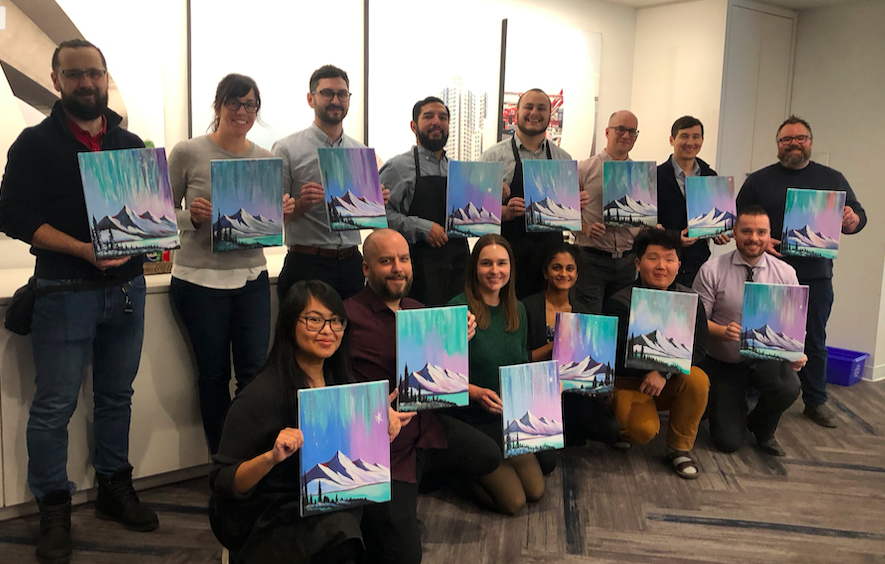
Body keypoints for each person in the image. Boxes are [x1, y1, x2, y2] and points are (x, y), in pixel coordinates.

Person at [0, 39, 158, 564]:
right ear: (56, 80)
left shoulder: (130, 143)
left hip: (127, 292)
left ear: (105, 76)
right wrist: (83, 250)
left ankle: (114, 485)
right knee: (54, 406)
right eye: (74, 74)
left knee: (117, 397)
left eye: (94, 73)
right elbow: (12, 215)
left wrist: (152, 236)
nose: (86, 83)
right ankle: (53, 506)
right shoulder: (33, 144)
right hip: (64, 291)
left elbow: (146, 218)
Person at [209, 280, 402, 564]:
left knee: (397, 544)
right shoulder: (261, 395)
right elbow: (224, 481)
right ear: (290, 324)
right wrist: (271, 457)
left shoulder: (340, 380)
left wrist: (378, 427)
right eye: (314, 320)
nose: (327, 330)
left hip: (331, 495)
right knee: (342, 535)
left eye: (336, 321)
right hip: (271, 509)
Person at [344, 229, 501, 563]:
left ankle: (417, 486)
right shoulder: (347, 318)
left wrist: (457, 339)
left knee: (489, 456)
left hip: (426, 428)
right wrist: (373, 409)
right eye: (386, 261)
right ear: (366, 268)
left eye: (404, 259)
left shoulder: (419, 310)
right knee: (405, 559)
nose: (398, 268)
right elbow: (330, 387)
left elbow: (436, 372)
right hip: (385, 448)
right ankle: (374, 509)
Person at [168, 74, 295, 455]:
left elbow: (264, 223)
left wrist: (281, 212)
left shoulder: (266, 159)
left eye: (250, 104)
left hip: (251, 279)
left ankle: (250, 459)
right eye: (234, 103)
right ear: (219, 105)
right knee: (213, 377)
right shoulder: (188, 152)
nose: (242, 111)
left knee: (254, 376)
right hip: (198, 280)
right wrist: (191, 217)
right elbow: (159, 213)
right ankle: (221, 462)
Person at [736, 115, 867, 428]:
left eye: (800, 138)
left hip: (815, 275)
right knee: (760, 334)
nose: (793, 143)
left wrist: (852, 220)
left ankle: (815, 400)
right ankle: (754, 391)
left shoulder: (832, 178)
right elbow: (737, 218)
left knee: (814, 339)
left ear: (810, 143)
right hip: (767, 272)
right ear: (778, 145)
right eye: (786, 139)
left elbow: (857, 217)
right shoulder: (758, 180)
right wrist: (763, 240)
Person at [447, 234, 557, 514]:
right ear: (474, 267)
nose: (494, 270)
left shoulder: (516, 309)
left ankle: (492, 461)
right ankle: (453, 472)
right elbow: (439, 375)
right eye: (486, 263)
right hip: (469, 416)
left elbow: (519, 363)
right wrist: (474, 393)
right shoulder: (458, 309)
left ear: (511, 268)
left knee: (535, 490)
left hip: (505, 415)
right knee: (514, 502)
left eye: (501, 263)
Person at [693, 206, 804, 455]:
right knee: (729, 442)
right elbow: (697, 322)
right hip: (724, 362)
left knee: (789, 386)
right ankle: (723, 409)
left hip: (765, 359)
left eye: (761, 232)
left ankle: (761, 427)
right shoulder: (712, 270)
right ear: (734, 233)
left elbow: (793, 324)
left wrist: (797, 353)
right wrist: (721, 331)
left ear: (769, 234)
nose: (754, 238)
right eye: (746, 231)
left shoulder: (785, 273)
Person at [272, 64, 388, 302]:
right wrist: (303, 203)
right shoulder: (286, 149)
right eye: (327, 93)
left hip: (352, 263)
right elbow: (274, 218)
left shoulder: (361, 153)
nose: (336, 100)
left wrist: (377, 203)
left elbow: (370, 221)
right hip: (307, 264)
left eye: (342, 94)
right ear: (310, 99)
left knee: (353, 326)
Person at [603, 229, 710, 479]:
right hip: (628, 382)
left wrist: (663, 372)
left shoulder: (690, 300)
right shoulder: (620, 301)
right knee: (642, 430)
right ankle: (618, 426)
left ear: (678, 265)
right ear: (638, 263)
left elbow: (699, 349)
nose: (661, 266)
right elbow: (612, 355)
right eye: (653, 258)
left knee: (697, 380)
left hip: (665, 382)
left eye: (669, 259)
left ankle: (678, 449)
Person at [480, 89, 587, 299]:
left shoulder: (563, 159)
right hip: (507, 255)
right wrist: (504, 211)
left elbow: (567, 215)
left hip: (551, 258)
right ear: (516, 112)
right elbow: (477, 210)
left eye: (541, 108)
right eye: (528, 107)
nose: (534, 113)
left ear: (550, 114)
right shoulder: (494, 157)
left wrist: (574, 206)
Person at [522, 243, 621, 447]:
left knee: (610, 429)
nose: (563, 274)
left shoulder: (583, 312)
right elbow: (521, 357)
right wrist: (556, 345)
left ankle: (568, 430)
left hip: (571, 391)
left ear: (577, 274)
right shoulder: (526, 307)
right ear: (545, 273)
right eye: (556, 268)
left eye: (570, 268)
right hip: (536, 388)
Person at [381, 96, 469, 306]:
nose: (437, 122)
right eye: (428, 116)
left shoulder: (459, 170)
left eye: (443, 117)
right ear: (414, 126)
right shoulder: (397, 167)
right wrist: (421, 228)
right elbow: (379, 216)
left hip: (458, 268)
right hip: (417, 270)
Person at [573, 110, 642, 313]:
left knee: (621, 318)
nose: (626, 135)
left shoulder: (640, 175)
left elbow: (642, 220)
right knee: (590, 320)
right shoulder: (583, 169)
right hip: (591, 259)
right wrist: (585, 227)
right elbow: (563, 216)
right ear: (607, 132)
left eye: (632, 131)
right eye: (620, 129)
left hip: (628, 261)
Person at [656, 116, 729, 287]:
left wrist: (719, 233)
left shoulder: (711, 177)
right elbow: (647, 225)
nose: (690, 142)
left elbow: (715, 219)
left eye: (696, 137)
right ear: (672, 140)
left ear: (702, 140)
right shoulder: (655, 176)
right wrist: (675, 236)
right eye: (684, 136)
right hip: (662, 264)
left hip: (699, 264)